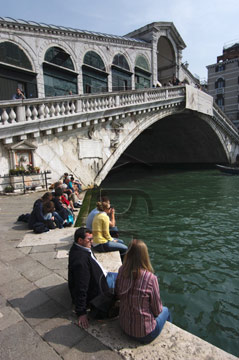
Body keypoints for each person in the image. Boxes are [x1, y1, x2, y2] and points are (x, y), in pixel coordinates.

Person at [115, 239, 172, 344]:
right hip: (144, 334)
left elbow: (117, 293)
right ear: (145, 256)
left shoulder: (121, 270)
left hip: (124, 326)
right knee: (166, 311)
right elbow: (157, 310)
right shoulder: (151, 278)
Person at [68, 227, 118, 329]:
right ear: (80, 240)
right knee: (128, 283)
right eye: (89, 240)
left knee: (126, 278)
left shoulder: (81, 249)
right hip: (102, 285)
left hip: (104, 277)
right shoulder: (81, 261)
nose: (92, 242)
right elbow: (81, 285)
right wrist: (81, 312)